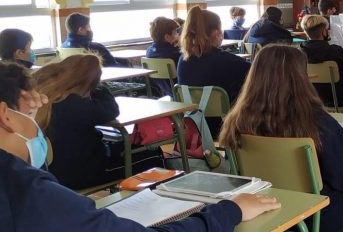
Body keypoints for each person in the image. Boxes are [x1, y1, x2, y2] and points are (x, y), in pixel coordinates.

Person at [0, 61, 281, 232]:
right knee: (154, 155)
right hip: (89, 172)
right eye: (31, 114)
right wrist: (229, 210)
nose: (39, 125)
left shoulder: (30, 186)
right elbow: (109, 108)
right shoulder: (28, 194)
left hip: (72, 175)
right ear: (6, 116)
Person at [219, 45, 343, 232]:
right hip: (319, 216)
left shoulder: (237, 121)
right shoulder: (317, 122)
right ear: (301, 78)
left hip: (267, 211)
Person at [32, 54, 164, 190]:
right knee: (153, 153)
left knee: (126, 144)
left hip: (56, 171)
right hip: (84, 173)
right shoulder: (73, 104)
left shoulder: (47, 98)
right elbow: (112, 109)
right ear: (89, 83)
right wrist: (98, 85)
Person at [177, 6, 251, 136]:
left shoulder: (182, 60)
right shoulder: (229, 61)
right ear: (217, 33)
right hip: (226, 127)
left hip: (193, 125)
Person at [299, 15, 343, 108]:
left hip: (311, 99)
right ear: (323, 32)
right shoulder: (333, 50)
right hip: (338, 99)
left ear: (305, 32)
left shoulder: (299, 52)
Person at [146, 17, 182, 96]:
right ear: (167, 37)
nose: (178, 35)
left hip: (167, 92)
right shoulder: (175, 54)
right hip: (181, 92)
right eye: (176, 32)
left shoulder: (149, 51)